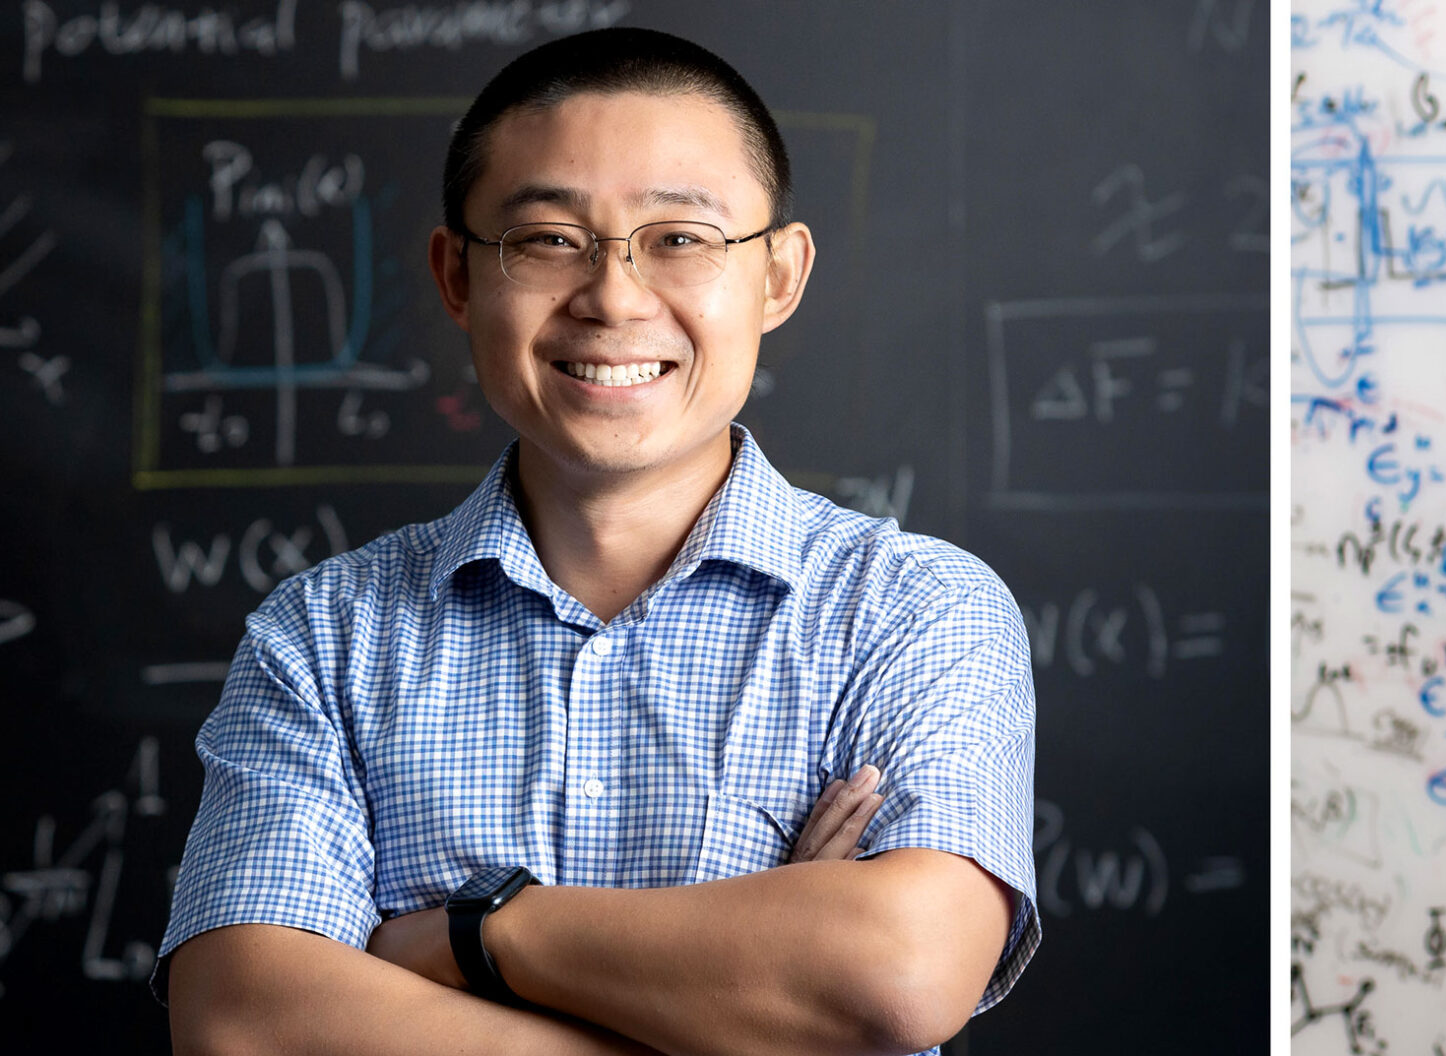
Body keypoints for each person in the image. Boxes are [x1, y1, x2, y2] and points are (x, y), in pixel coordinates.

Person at [157, 27, 1036, 1056]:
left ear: (778, 278)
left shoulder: (912, 609)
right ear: (455, 275)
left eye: (681, 238)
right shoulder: (323, 637)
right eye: (547, 240)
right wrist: (754, 987)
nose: (614, 297)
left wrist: (468, 936)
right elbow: (241, 1023)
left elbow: (898, 976)